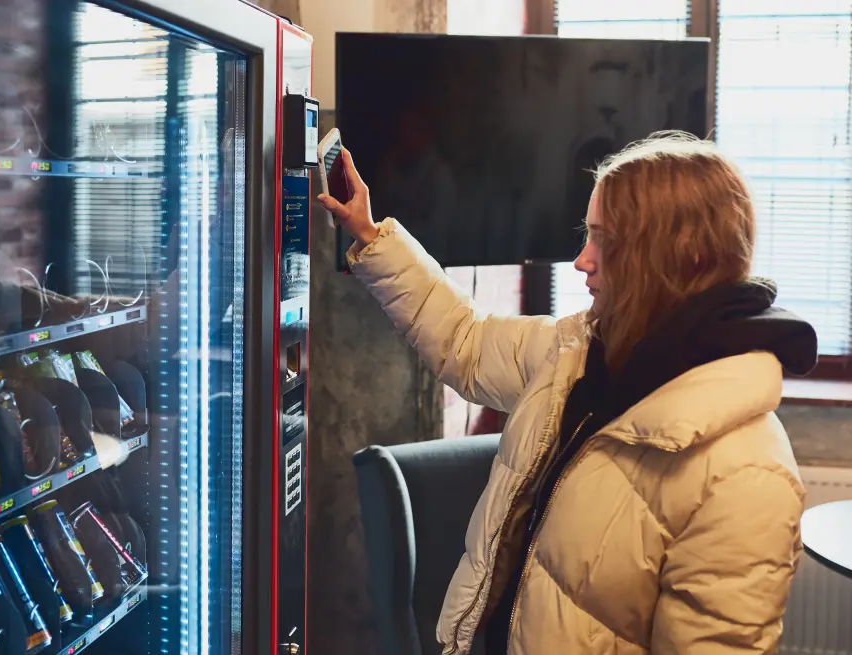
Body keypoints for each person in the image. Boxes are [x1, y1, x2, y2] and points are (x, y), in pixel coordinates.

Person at [318, 132, 818, 655]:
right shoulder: (582, 349)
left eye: (604, 239)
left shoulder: (745, 472)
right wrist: (370, 235)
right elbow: (464, 340)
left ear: (678, 256)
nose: (582, 260)